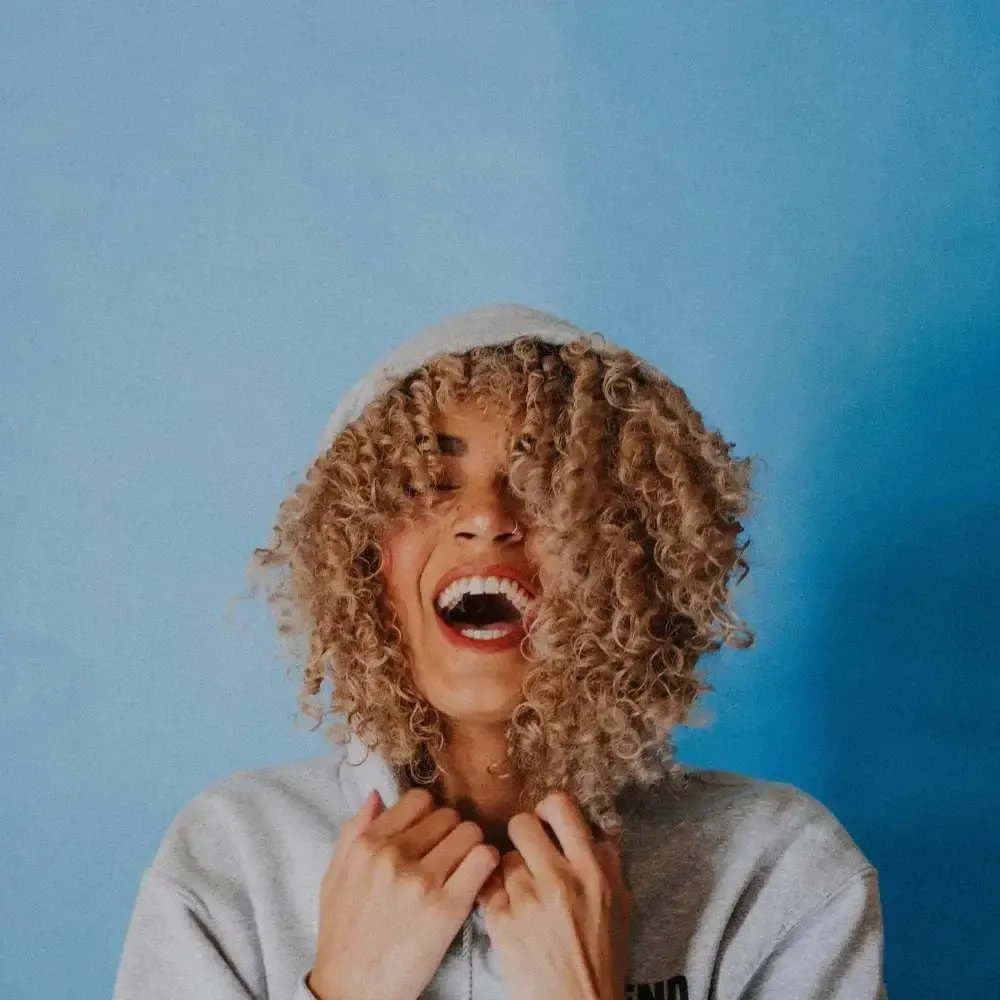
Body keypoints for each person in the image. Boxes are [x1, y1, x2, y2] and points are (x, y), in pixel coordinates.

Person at [112, 304, 886, 1000]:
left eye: (547, 483)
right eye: (427, 483)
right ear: (360, 556)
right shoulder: (233, 859)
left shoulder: (779, 873)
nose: (487, 518)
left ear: (635, 555)